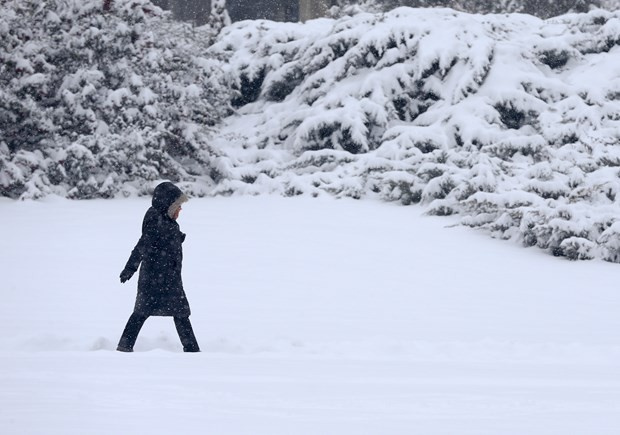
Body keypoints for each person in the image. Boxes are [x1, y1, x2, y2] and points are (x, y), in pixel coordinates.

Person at [117, 181, 200, 352]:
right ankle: (124, 346)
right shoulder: (156, 223)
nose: (180, 210)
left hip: (170, 278)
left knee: (181, 314)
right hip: (154, 279)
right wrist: (129, 269)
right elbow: (142, 246)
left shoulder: (166, 221)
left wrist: (178, 238)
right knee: (141, 313)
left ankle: (192, 349)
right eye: (178, 206)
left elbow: (165, 241)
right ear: (168, 206)